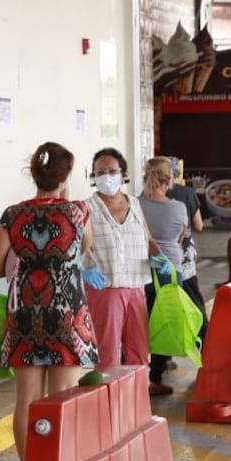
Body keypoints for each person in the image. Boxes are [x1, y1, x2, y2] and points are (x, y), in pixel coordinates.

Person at [0, 141, 98, 461]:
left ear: (34, 172)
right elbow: (84, 247)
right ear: (65, 177)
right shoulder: (77, 211)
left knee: (27, 399)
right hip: (67, 313)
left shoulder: (13, 214)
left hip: (24, 313)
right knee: (62, 398)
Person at [80, 147, 157, 376]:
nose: (106, 176)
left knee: (139, 352)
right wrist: (83, 269)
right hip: (105, 288)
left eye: (112, 171)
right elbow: (73, 248)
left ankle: (137, 406)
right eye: (100, 171)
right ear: (93, 177)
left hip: (136, 287)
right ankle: (107, 408)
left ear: (123, 174)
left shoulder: (134, 203)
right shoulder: (85, 208)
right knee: (107, 354)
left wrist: (160, 257)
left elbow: (148, 238)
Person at [139, 157, 189, 396]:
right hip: (170, 270)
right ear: (169, 180)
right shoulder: (178, 208)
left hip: (139, 270)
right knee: (163, 325)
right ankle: (155, 377)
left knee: (138, 324)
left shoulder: (134, 205)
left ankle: (134, 375)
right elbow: (181, 237)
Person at [166, 157, 209, 348]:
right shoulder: (187, 193)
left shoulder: (148, 194)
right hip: (184, 257)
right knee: (194, 300)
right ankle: (206, 344)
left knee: (165, 304)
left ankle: (163, 356)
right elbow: (199, 225)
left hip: (160, 258)